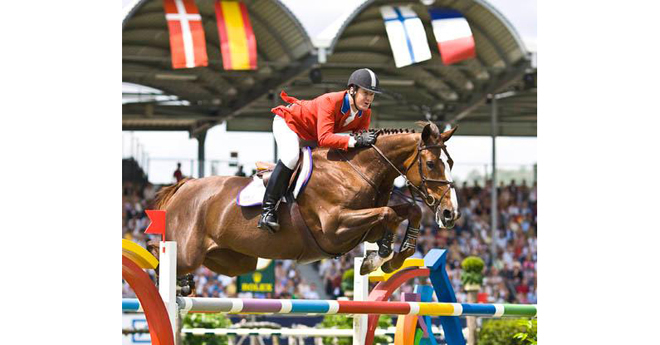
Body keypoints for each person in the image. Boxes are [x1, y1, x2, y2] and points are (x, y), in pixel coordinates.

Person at [258, 68, 381, 233]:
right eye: (365, 93)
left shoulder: (365, 113)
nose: (369, 99)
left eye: (372, 94)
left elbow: (358, 142)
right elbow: (325, 139)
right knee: (291, 157)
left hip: (311, 134)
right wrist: (356, 140)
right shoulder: (330, 101)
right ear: (352, 89)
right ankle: (267, 211)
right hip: (289, 124)